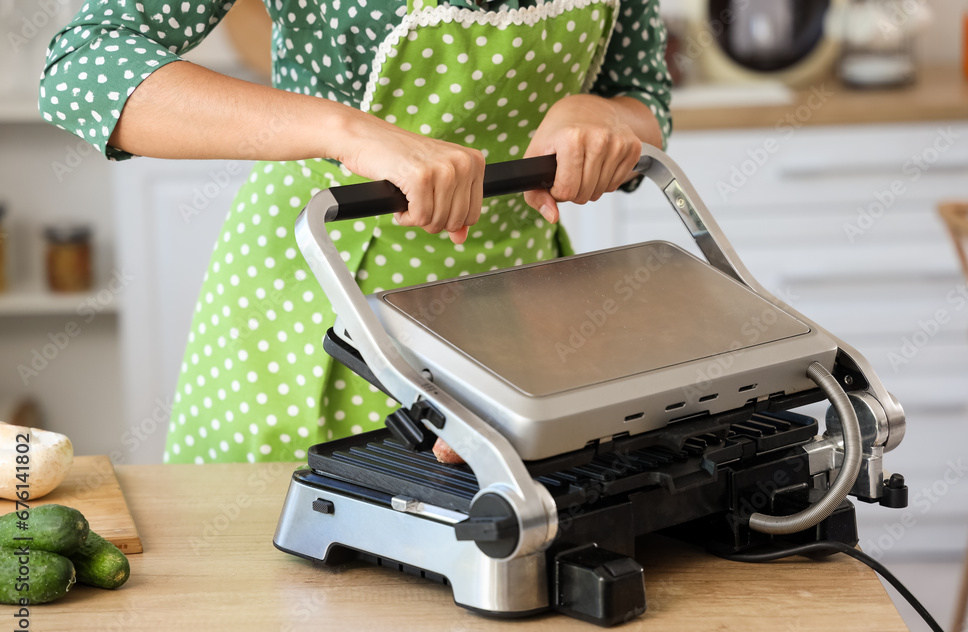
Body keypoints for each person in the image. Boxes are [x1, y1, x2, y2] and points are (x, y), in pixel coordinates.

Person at [39, 0, 672, 464]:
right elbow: (86, 68)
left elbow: (645, 100)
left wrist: (602, 114)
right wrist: (351, 133)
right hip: (321, 295)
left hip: (526, 304)